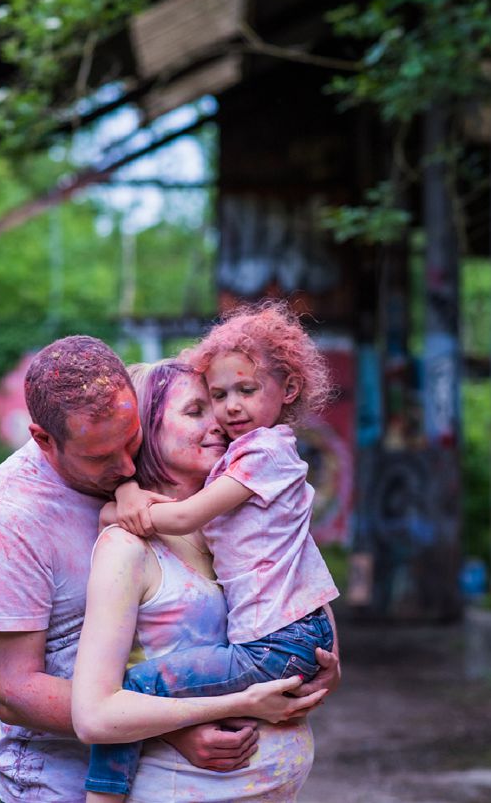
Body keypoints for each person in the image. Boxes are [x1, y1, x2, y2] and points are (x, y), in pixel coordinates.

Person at [0, 336, 326, 803]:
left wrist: (311, 665)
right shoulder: (9, 519)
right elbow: (14, 692)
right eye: (102, 457)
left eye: (131, 440)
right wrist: (171, 725)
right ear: (44, 440)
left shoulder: (195, 498)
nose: (126, 464)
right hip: (60, 778)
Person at [88, 302, 340, 798]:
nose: (224, 418)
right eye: (200, 407)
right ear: (149, 434)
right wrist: (125, 494)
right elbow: (98, 710)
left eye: (239, 394)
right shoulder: (131, 547)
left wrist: (330, 659)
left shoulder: (241, 513)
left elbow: (304, 583)